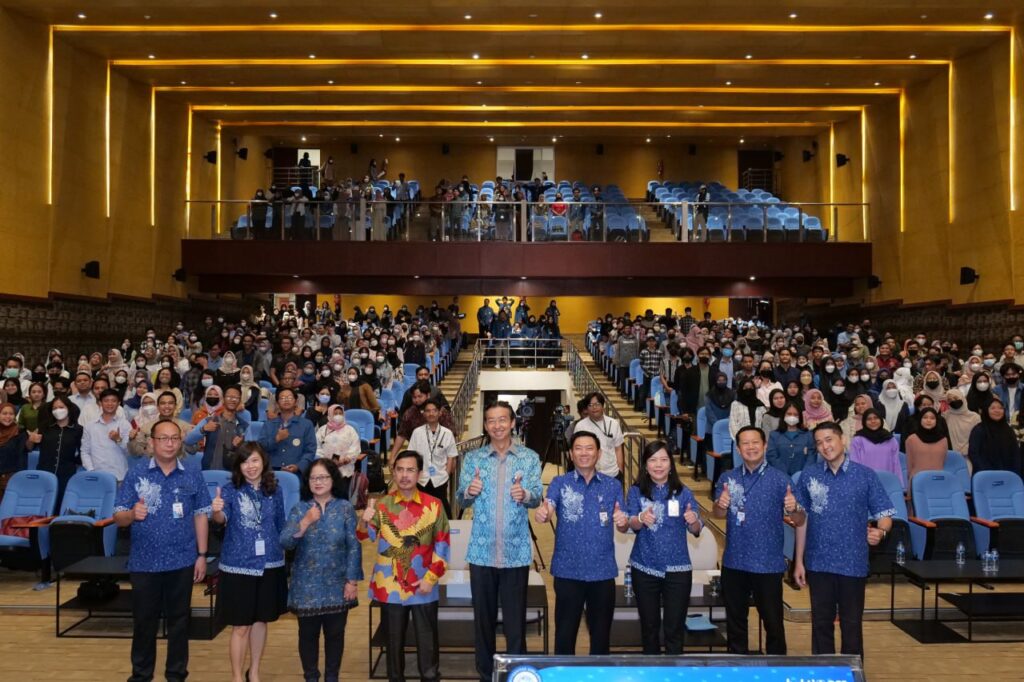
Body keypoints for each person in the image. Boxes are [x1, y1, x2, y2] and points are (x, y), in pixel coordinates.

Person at [113, 418, 211, 682]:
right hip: (144, 562)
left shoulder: (192, 472)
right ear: (152, 442)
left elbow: (201, 514)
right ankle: (141, 674)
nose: (169, 443)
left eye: (175, 438)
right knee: (144, 622)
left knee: (180, 622)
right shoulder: (137, 472)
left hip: (182, 559)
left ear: (181, 441)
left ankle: (176, 674)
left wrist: (202, 556)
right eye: (163, 438)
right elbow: (118, 515)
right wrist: (132, 514)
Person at [456, 401, 543, 682]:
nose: (497, 425)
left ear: (512, 422)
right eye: (491, 420)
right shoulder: (474, 459)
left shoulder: (529, 458)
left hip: (515, 552)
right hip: (481, 553)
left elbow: (538, 498)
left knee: (515, 622)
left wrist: (526, 495)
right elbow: (460, 497)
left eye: (502, 419)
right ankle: (485, 673)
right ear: (485, 425)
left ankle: (518, 674)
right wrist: (469, 490)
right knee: (483, 621)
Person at [793, 422, 896, 658]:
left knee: (851, 625)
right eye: (819, 442)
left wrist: (880, 533)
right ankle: (823, 674)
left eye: (829, 439)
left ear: (843, 440)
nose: (825, 446)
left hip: (853, 562)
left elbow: (885, 514)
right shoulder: (809, 475)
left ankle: (852, 672)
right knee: (821, 624)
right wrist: (798, 561)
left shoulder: (865, 475)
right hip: (818, 561)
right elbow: (801, 521)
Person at [359, 450, 449, 682]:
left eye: (410, 470)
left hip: (423, 586)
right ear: (394, 472)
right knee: (393, 646)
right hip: (391, 587)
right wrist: (364, 518)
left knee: (427, 648)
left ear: (419, 474)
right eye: (400, 469)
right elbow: (363, 536)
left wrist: (430, 578)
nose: (405, 475)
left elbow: (443, 546)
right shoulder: (382, 505)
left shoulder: (434, 505)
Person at [713, 426, 802, 655]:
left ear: (764, 446)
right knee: (736, 624)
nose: (751, 447)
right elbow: (718, 515)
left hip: (768, 563)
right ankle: (737, 671)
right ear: (738, 448)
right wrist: (720, 504)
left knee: (773, 623)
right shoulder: (728, 478)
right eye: (745, 443)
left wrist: (794, 509)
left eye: (755, 443)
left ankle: (776, 670)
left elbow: (799, 520)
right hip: (735, 562)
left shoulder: (781, 479)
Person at [536, 431, 623, 655]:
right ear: (571, 454)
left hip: (602, 571)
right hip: (568, 570)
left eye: (589, 448)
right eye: (578, 448)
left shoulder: (612, 486)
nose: (584, 453)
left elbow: (622, 522)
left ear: (599, 453)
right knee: (564, 636)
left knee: (601, 638)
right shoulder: (559, 482)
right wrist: (545, 513)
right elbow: (550, 505)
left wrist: (623, 522)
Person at [279, 458, 362, 682]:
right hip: (306, 586)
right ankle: (311, 678)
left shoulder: (345, 508)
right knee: (308, 636)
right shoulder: (300, 508)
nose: (318, 482)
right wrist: (304, 523)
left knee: (335, 636)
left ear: (332, 479)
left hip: (338, 584)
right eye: (314, 478)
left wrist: (352, 581)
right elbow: (286, 542)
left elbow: (353, 546)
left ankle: (332, 678)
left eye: (323, 477)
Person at [210, 443, 287, 682]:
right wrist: (216, 512)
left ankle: (254, 671)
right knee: (240, 625)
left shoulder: (275, 489)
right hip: (238, 565)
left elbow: (280, 524)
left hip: (270, 563)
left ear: (263, 461)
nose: (250, 467)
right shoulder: (230, 490)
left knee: (260, 621)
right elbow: (222, 521)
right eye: (245, 462)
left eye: (254, 461)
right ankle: (236, 677)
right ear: (238, 466)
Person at [620, 440, 703, 655]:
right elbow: (631, 524)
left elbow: (695, 528)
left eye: (664, 460)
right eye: (653, 460)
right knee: (649, 629)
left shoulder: (683, 492)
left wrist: (693, 519)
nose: (659, 465)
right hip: (644, 567)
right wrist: (640, 517)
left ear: (671, 464)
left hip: (678, 570)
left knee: (674, 629)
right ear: (645, 465)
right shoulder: (636, 491)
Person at [408, 399, 458, 518]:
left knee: (443, 512)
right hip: (422, 479)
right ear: (423, 413)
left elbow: (451, 456)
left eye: (434, 411)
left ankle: (446, 534)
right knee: (421, 511)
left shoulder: (447, 433)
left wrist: (446, 473)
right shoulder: (417, 432)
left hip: (440, 478)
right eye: (428, 411)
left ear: (439, 412)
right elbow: (411, 456)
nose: (431, 414)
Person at [185, 385, 249, 471]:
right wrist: (203, 429)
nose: (232, 400)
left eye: (236, 397)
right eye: (229, 397)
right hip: (210, 470)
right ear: (222, 399)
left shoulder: (244, 425)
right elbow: (188, 440)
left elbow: (251, 450)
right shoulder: (209, 421)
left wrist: (242, 445)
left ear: (240, 401)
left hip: (234, 473)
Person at [34, 396, 82, 507]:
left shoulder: (78, 430)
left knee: (62, 505)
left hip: (66, 474)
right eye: (54, 408)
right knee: (42, 505)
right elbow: (29, 448)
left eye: (61, 407)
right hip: (44, 471)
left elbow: (82, 452)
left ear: (69, 408)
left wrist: (72, 461)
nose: (58, 410)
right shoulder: (44, 427)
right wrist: (31, 440)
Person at [81, 388, 133, 482]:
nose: (110, 404)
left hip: (120, 476)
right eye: (106, 401)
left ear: (118, 403)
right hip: (97, 476)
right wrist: (91, 470)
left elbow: (129, 452)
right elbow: (85, 452)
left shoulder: (125, 424)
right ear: (100, 403)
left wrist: (118, 439)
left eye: (113, 401)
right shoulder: (90, 426)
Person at [258, 388, 316, 473]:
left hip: (297, 472)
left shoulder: (307, 425)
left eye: (289, 397)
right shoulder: (268, 424)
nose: (286, 400)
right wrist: (276, 439)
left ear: (295, 402)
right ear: (277, 404)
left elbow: (310, 451)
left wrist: (298, 466)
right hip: (271, 472)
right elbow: (260, 447)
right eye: (282, 398)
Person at [572, 392, 625, 482]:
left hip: (611, 474)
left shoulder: (613, 423)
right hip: (588, 475)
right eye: (590, 405)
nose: (594, 407)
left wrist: (620, 471)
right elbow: (576, 451)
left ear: (603, 406)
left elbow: (618, 449)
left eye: (597, 404)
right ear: (587, 408)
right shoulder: (580, 426)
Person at [848, 408, 903, 487]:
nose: (873, 421)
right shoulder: (858, 440)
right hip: (866, 484)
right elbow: (854, 464)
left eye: (876, 418)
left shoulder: (891, 440)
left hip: (887, 483)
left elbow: (896, 464)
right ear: (864, 422)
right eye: (869, 419)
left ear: (881, 420)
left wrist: (899, 485)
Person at [968, 399, 1023, 475]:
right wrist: (988, 473)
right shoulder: (979, 430)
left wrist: (1014, 473)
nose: (997, 411)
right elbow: (974, 454)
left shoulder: (1008, 430)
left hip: (1008, 475)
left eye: (1000, 408)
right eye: (993, 408)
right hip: (985, 475)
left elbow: (1015, 453)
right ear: (986, 410)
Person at [766, 402, 815, 476]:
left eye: (795, 414)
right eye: (789, 414)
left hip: (803, 476)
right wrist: (784, 474)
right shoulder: (774, 435)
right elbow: (772, 457)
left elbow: (811, 457)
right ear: (783, 415)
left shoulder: (808, 435)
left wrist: (802, 474)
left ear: (800, 417)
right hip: (780, 476)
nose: (792, 417)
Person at [905, 407, 950, 482]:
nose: (928, 420)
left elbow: (943, 462)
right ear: (920, 420)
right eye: (925, 417)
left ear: (937, 421)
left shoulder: (943, 440)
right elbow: (909, 464)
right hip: (917, 480)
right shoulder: (911, 439)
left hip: (937, 479)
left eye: (932, 418)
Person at [0, 403, 28, 500]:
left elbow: (21, 458)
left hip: (9, 478)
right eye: (4, 413)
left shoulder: (19, 432)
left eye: (11, 414)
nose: (8, 416)